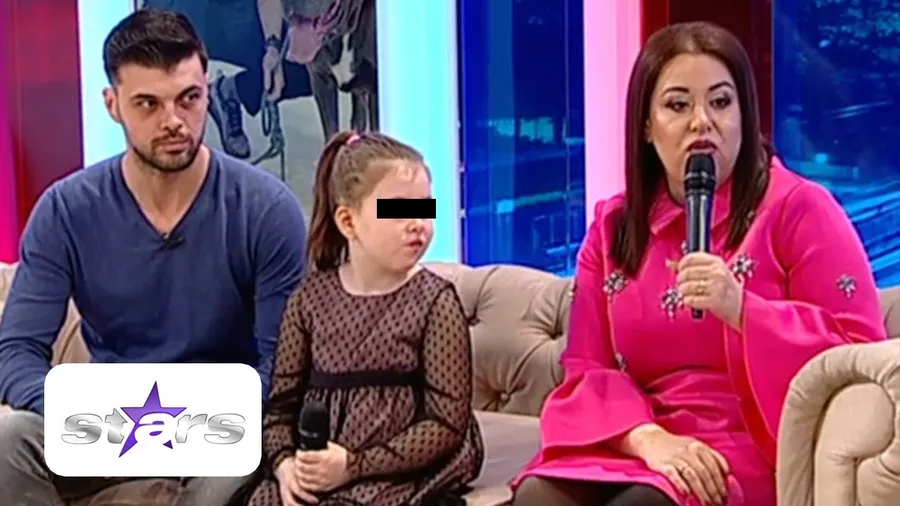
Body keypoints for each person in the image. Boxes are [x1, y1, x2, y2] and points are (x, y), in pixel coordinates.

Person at [510, 21, 887, 506]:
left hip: (748, 441)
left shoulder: (800, 209)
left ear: (745, 116)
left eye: (721, 102)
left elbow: (860, 356)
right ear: (646, 126)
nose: (702, 121)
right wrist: (648, 439)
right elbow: (586, 367)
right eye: (677, 105)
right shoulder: (612, 227)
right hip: (641, 438)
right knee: (539, 496)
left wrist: (743, 309)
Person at [0, 8, 307, 506]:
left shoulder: (267, 210)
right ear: (112, 104)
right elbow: (17, 353)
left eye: (189, 98)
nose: (173, 122)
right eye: (148, 104)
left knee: (234, 470)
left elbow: (285, 364)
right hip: (108, 424)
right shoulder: (65, 211)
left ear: (207, 91)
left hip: (223, 425)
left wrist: (203, 421)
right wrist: (82, 416)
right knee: (9, 440)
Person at [246, 131, 484, 506]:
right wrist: (285, 465)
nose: (418, 223)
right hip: (320, 467)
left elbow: (447, 423)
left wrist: (354, 466)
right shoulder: (308, 300)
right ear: (348, 221)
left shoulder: (436, 301)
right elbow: (280, 409)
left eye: (426, 208)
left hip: (402, 468)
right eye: (397, 210)